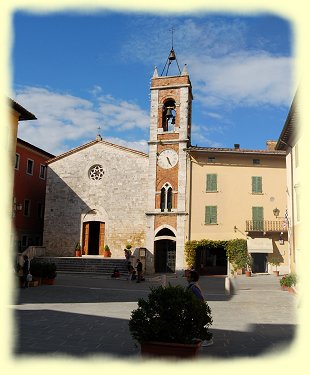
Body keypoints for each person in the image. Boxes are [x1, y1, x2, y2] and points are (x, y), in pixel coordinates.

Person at [187, 270, 214, 347]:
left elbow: (200, 298)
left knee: (198, 325)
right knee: (196, 324)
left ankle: (207, 339)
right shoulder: (193, 285)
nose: (186, 278)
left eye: (188, 277)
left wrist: (198, 306)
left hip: (196, 308)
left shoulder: (193, 287)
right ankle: (196, 337)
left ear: (192, 278)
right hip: (194, 308)